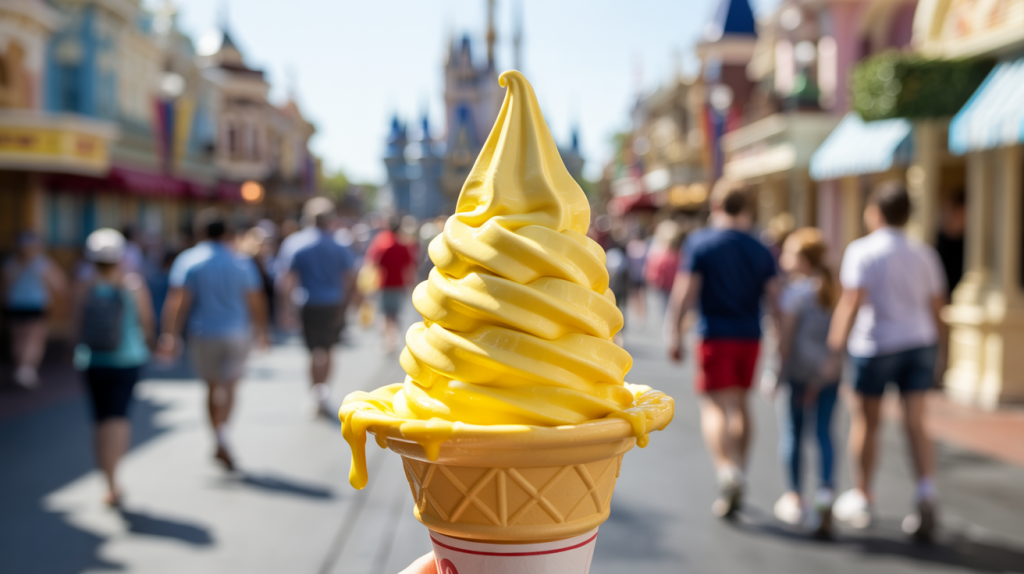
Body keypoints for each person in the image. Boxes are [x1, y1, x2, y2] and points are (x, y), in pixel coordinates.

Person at [826, 181, 946, 541]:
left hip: (875, 344)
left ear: (874, 212)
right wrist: (942, 353)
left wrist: (833, 348)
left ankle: (862, 494)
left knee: (866, 422)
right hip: (919, 341)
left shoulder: (863, 251)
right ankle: (926, 488)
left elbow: (851, 303)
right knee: (916, 421)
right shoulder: (924, 253)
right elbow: (937, 307)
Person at [667, 180, 780, 518]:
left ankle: (726, 471)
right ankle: (740, 471)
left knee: (715, 406)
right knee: (741, 404)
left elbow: (684, 292)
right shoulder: (761, 248)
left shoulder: (702, 243)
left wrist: (674, 332)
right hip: (749, 335)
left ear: (717, 206)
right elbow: (776, 300)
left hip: (713, 334)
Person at [157, 209, 269, 471]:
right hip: (236, 333)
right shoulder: (240, 261)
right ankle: (222, 434)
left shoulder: (189, 261)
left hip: (203, 333)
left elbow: (177, 302)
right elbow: (256, 300)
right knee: (230, 387)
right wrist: (263, 331)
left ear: (201, 233)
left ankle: (216, 435)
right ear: (227, 233)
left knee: (211, 388)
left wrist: (169, 335)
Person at [74, 229, 154, 506]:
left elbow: (75, 322)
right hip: (127, 359)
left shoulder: (85, 285)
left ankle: (107, 480)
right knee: (118, 419)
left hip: (91, 359)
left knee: (100, 420)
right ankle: (114, 479)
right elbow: (146, 321)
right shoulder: (132, 284)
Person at [771, 228, 840, 536]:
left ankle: (795, 496)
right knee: (825, 432)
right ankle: (826, 493)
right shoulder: (834, 291)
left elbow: (785, 340)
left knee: (794, 433)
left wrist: (775, 372)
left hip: (798, 373)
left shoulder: (795, 293)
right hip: (828, 373)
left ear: (802, 260)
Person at [278, 198, 356, 417]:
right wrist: (350, 302)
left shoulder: (295, 243)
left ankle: (316, 392)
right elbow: (350, 277)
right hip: (333, 303)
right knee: (329, 349)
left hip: (308, 303)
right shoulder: (339, 245)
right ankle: (322, 392)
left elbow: (288, 280)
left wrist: (285, 309)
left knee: (313, 352)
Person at [2, 231, 67, 389]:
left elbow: (4, 286)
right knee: (34, 339)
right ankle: (26, 371)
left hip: (14, 305)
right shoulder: (41, 263)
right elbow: (59, 284)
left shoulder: (11, 263)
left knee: (18, 339)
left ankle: (21, 369)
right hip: (35, 305)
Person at [364, 215, 415, 352]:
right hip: (398, 285)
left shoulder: (381, 243)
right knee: (395, 314)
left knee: (385, 315)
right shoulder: (404, 245)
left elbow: (372, 263)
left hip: (383, 284)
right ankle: (393, 339)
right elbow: (409, 268)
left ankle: (386, 340)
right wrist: (410, 285)